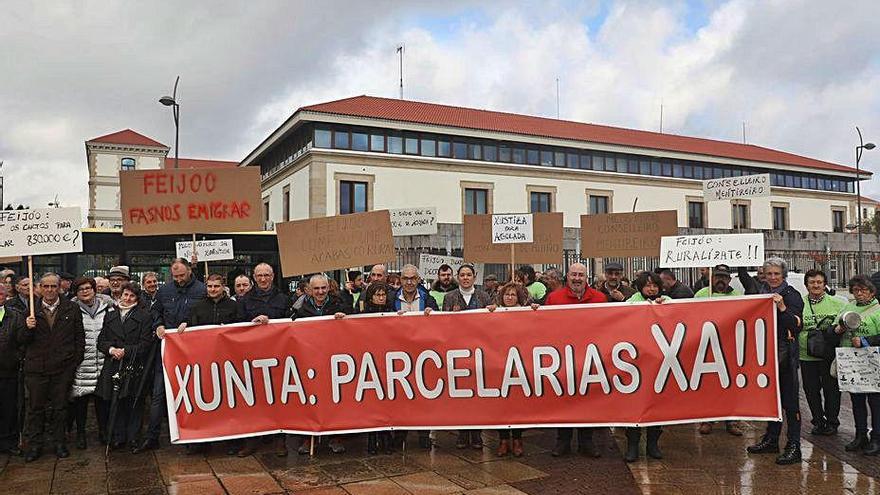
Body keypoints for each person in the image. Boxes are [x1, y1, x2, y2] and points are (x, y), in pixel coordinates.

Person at [133, 259, 205, 454]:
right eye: (175, 277)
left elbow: (206, 315)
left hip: (192, 352)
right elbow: (155, 312)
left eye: (182, 275)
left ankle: (194, 437)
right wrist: (158, 324)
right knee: (158, 394)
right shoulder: (165, 291)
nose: (179, 279)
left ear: (190, 271)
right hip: (166, 349)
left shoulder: (201, 290)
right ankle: (152, 437)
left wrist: (190, 323)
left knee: (191, 393)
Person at [742, 258, 804, 465]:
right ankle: (771, 439)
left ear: (783, 275)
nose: (773, 277)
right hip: (763, 356)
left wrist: (782, 307)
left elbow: (796, 326)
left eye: (777, 274)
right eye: (769, 274)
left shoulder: (792, 295)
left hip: (785, 357)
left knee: (790, 403)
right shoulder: (760, 294)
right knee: (771, 399)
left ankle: (794, 445)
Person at [19, 273, 85, 462]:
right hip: (36, 368)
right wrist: (26, 327)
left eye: (53, 286)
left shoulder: (71, 308)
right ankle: (35, 445)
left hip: (62, 368)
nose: (49, 290)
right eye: (46, 286)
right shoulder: (31, 310)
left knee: (60, 408)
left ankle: (59, 443)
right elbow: (21, 341)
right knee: (35, 408)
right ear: (39, 288)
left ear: (59, 287)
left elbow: (79, 337)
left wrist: (74, 361)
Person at [545, 263, 607, 457]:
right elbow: (543, 325)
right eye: (574, 275)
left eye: (581, 275)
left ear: (586, 278)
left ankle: (586, 441)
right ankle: (562, 441)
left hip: (590, 357)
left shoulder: (600, 298)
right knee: (564, 400)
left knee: (588, 400)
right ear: (567, 277)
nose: (577, 278)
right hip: (563, 358)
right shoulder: (554, 298)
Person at [234, 263, 291, 458]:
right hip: (253, 356)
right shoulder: (245, 300)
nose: (263, 279)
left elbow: (291, 325)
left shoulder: (284, 299)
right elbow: (238, 325)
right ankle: (252, 440)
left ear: (273, 276)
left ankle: (279, 440)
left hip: (278, 356)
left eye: (267, 275)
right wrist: (252, 324)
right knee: (253, 399)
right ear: (254, 277)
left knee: (278, 398)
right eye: (260, 275)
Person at [295, 274, 349, 455]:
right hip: (308, 360)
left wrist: (345, 319)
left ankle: (335, 437)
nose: (320, 292)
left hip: (332, 360)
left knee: (334, 399)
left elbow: (355, 324)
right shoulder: (299, 308)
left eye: (323, 288)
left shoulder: (339, 304)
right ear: (309, 290)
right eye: (316, 288)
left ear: (328, 288)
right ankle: (308, 438)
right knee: (309, 400)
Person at [96, 282, 153, 450]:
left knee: (134, 402)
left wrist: (125, 351)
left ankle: (134, 436)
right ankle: (119, 435)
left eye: (132, 296)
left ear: (137, 298)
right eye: (125, 295)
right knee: (116, 401)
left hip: (134, 365)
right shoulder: (110, 315)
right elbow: (101, 341)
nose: (127, 299)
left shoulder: (144, 316)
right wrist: (112, 349)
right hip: (113, 363)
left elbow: (145, 344)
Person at [443, 264, 494, 450]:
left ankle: (477, 434)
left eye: (469, 275)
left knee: (478, 394)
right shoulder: (450, 297)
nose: (465, 278)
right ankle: (463, 434)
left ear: (474, 277)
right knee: (461, 394)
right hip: (458, 352)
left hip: (479, 352)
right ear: (458, 277)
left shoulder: (484, 296)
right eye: (462, 275)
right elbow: (444, 324)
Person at [487, 281, 538, 457]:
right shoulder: (494, 312)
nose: (509, 297)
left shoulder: (526, 313)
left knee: (518, 404)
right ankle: (503, 440)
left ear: (519, 297)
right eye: (507, 294)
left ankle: (517, 439)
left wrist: (535, 310)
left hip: (520, 364)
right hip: (498, 364)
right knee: (501, 404)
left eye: (513, 295)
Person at [693, 264, 744, 436]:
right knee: (709, 384)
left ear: (729, 279)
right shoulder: (701, 295)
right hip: (707, 346)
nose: (720, 280)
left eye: (724, 277)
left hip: (730, 346)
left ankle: (732, 420)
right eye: (717, 276)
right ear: (711, 278)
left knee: (731, 385)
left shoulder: (737, 296)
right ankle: (708, 418)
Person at [834, 275, 880, 455]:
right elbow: (833, 330)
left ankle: (877, 437)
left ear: (872, 292)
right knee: (857, 401)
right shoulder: (848, 307)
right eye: (856, 290)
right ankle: (861, 435)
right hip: (851, 361)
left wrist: (865, 340)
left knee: (875, 402)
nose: (859, 294)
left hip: (873, 362)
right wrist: (838, 329)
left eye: (863, 290)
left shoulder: (878, 309)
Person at [624, 271, 667, 462]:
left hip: (658, 362)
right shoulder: (631, 302)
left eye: (655, 285)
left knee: (656, 404)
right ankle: (632, 444)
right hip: (636, 361)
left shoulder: (666, 300)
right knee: (634, 405)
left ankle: (653, 444)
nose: (652, 289)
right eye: (648, 285)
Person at [69, 277, 114, 450]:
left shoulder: (108, 308)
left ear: (95, 290)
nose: (85, 291)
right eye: (81, 289)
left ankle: (104, 432)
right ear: (76, 293)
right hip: (82, 361)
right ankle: (81, 434)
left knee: (102, 401)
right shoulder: (71, 310)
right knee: (81, 401)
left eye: (88, 288)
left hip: (103, 360)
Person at [799, 269, 844, 437]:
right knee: (811, 390)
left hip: (828, 355)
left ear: (825, 284)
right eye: (812, 282)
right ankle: (818, 421)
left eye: (819, 282)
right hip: (806, 355)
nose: (816, 285)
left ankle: (832, 421)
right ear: (806, 285)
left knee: (831, 389)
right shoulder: (799, 303)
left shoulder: (838, 303)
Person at [354, 282, 395, 454]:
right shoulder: (362, 315)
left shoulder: (393, 314)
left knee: (387, 404)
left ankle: (386, 440)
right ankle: (372, 440)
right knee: (372, 404)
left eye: (383, 294)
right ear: (371, 297)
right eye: (377, 295)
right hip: (370, 364)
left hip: (387, 365)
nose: (380, 298)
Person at [0, 283, 25, 455]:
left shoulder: (15, 316)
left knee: (9, 408)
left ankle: (8, 441)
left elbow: (22, 341)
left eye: (1, 292)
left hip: (8, 370)